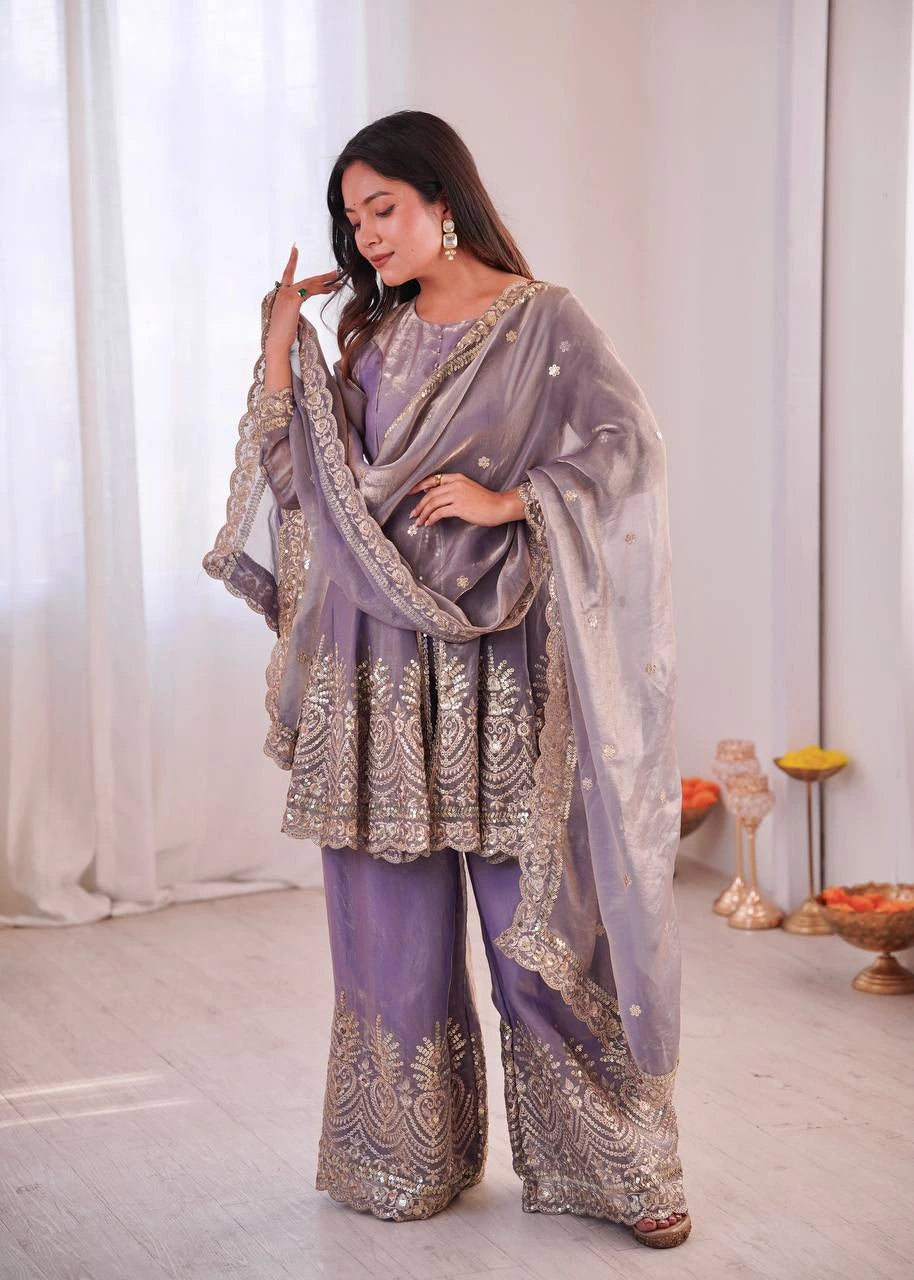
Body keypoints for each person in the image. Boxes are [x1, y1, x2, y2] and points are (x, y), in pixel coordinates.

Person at [203, 109, 690, 1249]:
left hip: (499, 668)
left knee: (539, 927)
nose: (366, 234)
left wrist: (515, 499)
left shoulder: (541, 323)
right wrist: (283, 344)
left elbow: (628, 449)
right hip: (375, 675)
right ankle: (398, 1151)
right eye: (351, 216)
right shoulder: (366, 344)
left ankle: (620, 1167)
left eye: (384, 207)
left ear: (443, 200)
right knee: (387, 928)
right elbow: (306, 486)